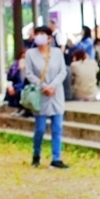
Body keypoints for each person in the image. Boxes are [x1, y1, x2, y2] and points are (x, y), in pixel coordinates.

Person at [25, 25, 69, 169]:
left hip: (56, 94)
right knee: (40, 128)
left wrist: (53, 86)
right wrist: (43, 86)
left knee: (57, 128)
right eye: (37, 34)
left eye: (43, 34)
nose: (39, 37)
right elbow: (29, 73)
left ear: (49, 38)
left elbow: (63, 72)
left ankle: (56, 158)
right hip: (41, 95)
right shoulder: (30, 54)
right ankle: (36, 154)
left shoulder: (57, 53)